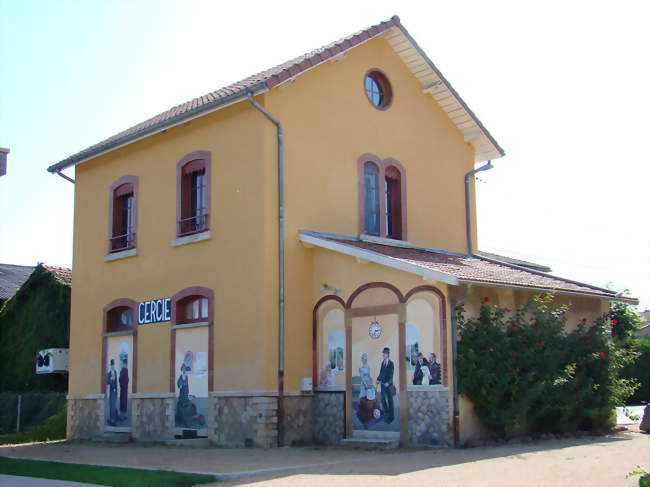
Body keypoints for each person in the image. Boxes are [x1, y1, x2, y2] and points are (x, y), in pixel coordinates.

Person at [376, 347, 395, 423]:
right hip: (383, 385)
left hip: (389, 386)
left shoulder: (391, 363)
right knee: (383, 400)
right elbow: (381, 373)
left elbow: (391, 375)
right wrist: (378, 379)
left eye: (384, 353)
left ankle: (391, 417)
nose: (383, 355)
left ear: (388, 354)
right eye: (383, 353)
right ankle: (387, 414)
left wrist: (389, 383)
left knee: (390, 401)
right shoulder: (382, 363)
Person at [106, 359, 118, 426]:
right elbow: (107, 382)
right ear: (110, 366)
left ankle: (113, 420)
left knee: (113, 406)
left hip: (115, 391)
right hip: (111, 392)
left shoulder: (115, 372)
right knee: (111, 406)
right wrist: (110, 379)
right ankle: (111, 419)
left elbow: (116, 382)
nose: (112, 366)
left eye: (113, 365)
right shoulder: (109, 373)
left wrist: (116, 390)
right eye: (111, 365)